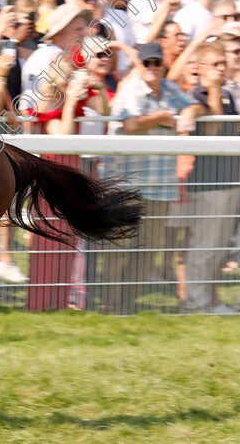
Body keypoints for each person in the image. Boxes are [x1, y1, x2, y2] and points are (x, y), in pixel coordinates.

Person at [101, 42, 206, 315]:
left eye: (156, 63)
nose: (151, 68)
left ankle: (127, 306)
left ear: (162, 65)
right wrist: (163, 117)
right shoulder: (132, 88)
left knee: (150, 250)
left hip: (160, 186)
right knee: (119, 249)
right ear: (140, 64)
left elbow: (199, 106)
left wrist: (188, 113)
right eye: (146, 63)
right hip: (126, 185)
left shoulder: (171, 88)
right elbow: (132, 125)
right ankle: (109, 306)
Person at [180, 41, 240, 314]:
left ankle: (210, 301)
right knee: (204, 247)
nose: (221, 68)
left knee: (217, 248)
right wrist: (214, 88)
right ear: (200, 67)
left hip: (228, 182)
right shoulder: (198, 93)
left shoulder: (228, 93)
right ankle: (196, 304)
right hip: (207, 184)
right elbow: (213, 129)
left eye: (223, 63)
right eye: (215, 64)